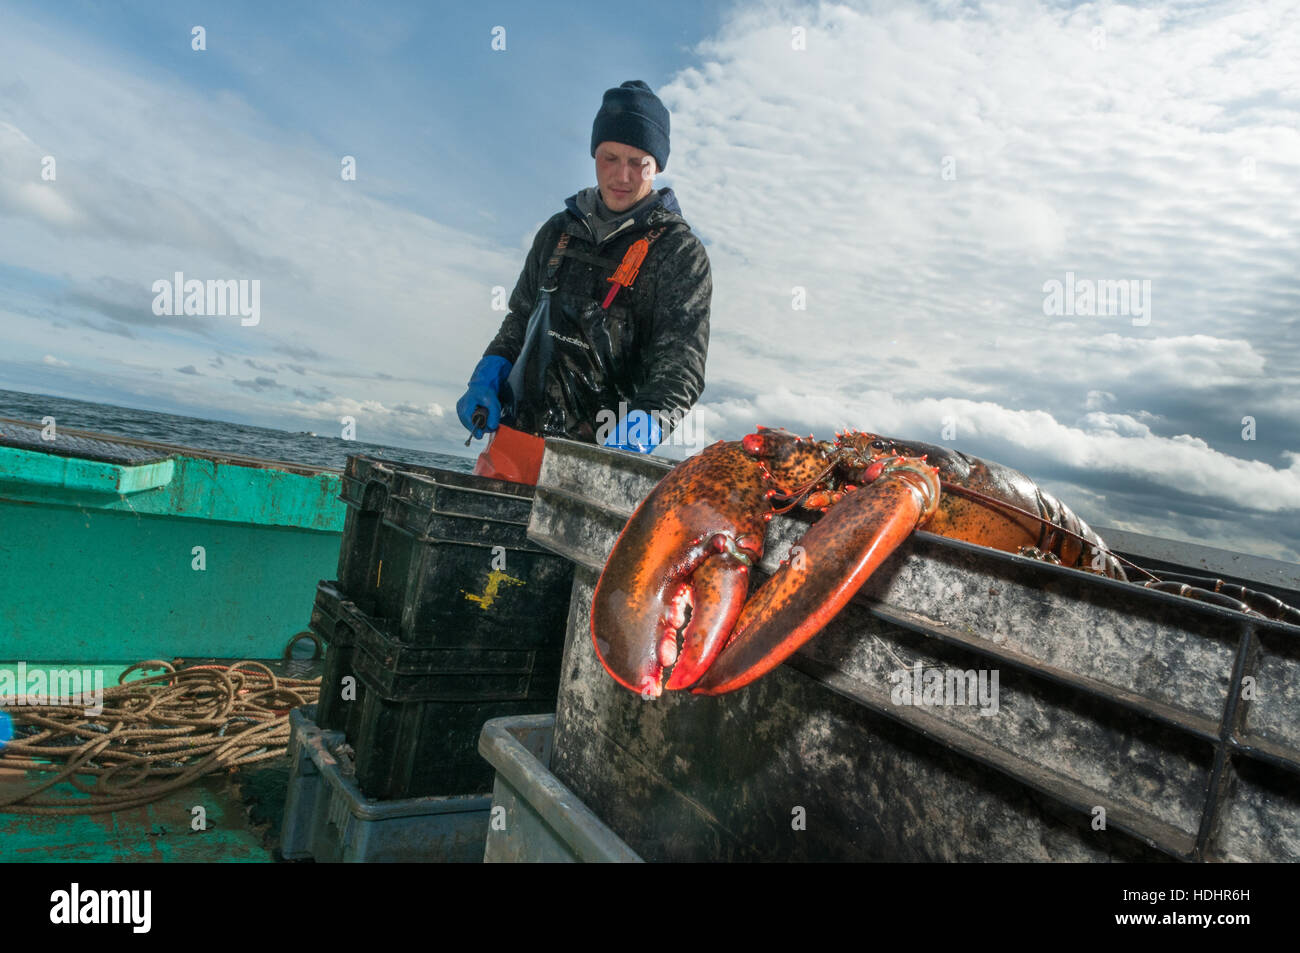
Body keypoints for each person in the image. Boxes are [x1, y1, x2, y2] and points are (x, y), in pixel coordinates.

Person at [456, 80, 712, 484]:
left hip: (598, 462)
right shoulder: (557, 232)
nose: (622, 175)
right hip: (514, 445)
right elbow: (520, 320)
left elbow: (682, 367)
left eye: (638, 162)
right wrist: (488, 371)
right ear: (594, 153)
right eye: (610, 157)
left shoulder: (680, 253)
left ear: (657, 166)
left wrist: (646, 427)